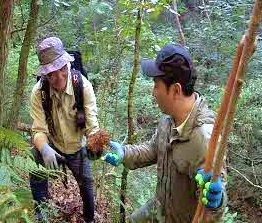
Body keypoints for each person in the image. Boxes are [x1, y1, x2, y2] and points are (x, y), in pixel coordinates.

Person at [103, 44, 227, 222]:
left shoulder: (204, 138)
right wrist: (125, 153)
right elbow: (154, 149)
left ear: (176, 90)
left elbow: (214, 205)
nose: (153, 93)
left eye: (156, 85)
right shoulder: (168, 120)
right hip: (159, 208)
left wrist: (216, 201)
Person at [29, 36, 98, 223]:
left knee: (87, 186)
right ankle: (41, 211)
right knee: (33, 159)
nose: (58, 77)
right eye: (52, 73)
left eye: (62, 70)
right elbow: (38, 129)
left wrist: (96, 144)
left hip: (77, 147)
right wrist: (44, 149)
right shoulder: (39, 92)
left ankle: (89, 218)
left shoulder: (82, 86)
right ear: (45, 74)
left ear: (67, 65)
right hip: (53, 145)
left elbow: (91, 124)